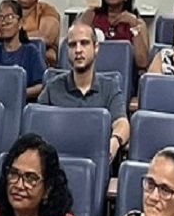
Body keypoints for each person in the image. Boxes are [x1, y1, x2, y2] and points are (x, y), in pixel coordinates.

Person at [41, 22, 130, 165]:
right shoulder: (53, 87)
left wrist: (115, 141)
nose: (78, 50)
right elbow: (37, 126)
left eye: (84, 43)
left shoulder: (109, 86)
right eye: (72, 45)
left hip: (96, 163)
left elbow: (122, 123)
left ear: (96, 48)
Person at [79, 0, 151, 72]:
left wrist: (133, 25)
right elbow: (74, 46)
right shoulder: (91, 16)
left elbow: (143, 62)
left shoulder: (137, 23)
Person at [0, 0, 45, 101]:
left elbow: (41, 86)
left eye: (9, 17)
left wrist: (17, 94)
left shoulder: (31, 52)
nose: (4, 23)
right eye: (0, 18)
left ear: (20, 23)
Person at [10, 0, 61, 67]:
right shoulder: (8, 8)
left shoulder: (47, 10)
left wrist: (13, 36)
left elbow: (45, 37)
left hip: (40, 61)